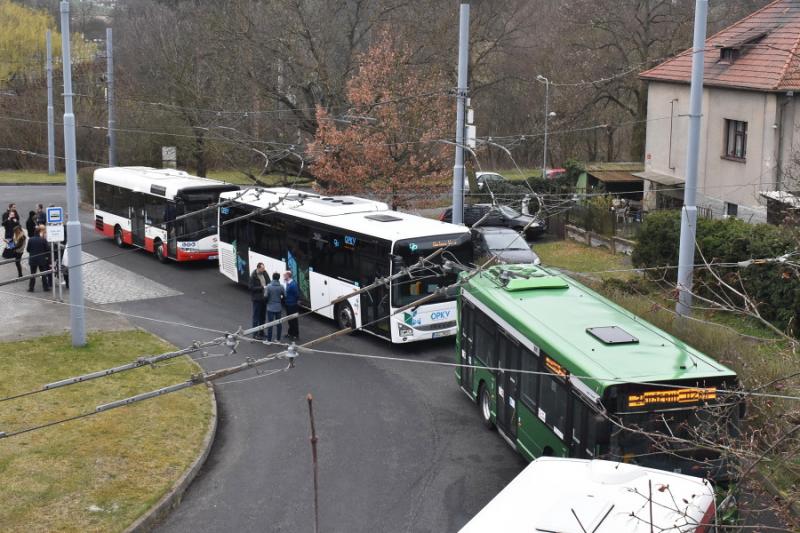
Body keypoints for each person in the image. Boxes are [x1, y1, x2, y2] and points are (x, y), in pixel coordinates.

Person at [27, 228, 50, 292]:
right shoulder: (43, 240)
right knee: (43, 274)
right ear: (40, 233)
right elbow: (47, 249)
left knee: (32, 274)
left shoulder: (30, 239)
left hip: (33, 259)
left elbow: (28, 249)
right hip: (41, 259)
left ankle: (31, 288)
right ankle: (45, 287)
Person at [249, 262, 268, 339]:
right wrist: (262, 287)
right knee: (256, 317)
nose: (264, 270)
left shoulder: (264, 273)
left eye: (264, 268)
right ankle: (255, 334)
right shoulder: (253, 276)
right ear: (258, 268)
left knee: (262, 317)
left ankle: (261, 332)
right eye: (262, 268)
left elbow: (268, 281)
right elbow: (251, 288)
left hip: (264, 299)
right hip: (257, 299)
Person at [265, 272, 285, 342]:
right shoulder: (281, 286)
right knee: (279, 324)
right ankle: (278, 339)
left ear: (272, 277)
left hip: (270, 307)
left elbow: (265, 296)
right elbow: (284, 295)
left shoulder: (268, 286)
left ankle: (269, 340)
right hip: (278, 307)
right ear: (278, 278)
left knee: (270, 324)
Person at [283, 270, 300, 339]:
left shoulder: (293, 285)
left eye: (284, 275)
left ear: (288, 276)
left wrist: (295, 301)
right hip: (288, 304)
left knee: (293, 320)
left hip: (292, 305)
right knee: (290, 320)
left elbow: (297, 294)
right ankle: (290, 333)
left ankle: (295, 334)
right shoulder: (288, 283)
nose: (283, 276)